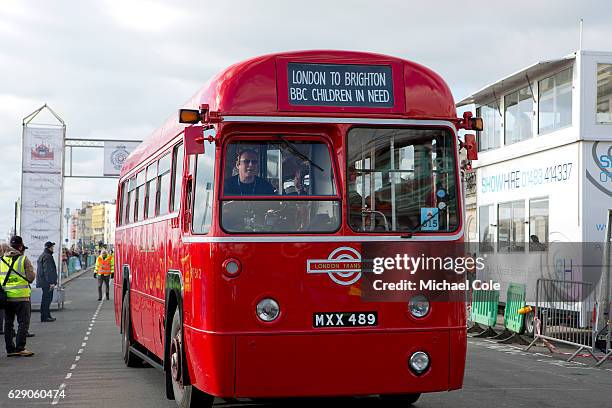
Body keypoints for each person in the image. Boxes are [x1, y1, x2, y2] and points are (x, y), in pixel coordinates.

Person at [0, 236, 36, 357]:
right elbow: (31, 278)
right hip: (21, 298)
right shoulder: (23, 259)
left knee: (8, 323)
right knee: (23, 323)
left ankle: (10, 349)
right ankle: (20, 347)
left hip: (6, 298)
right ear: (20, 247)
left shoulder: (1, 261)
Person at [37, 241, 58, 322]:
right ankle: (45, 316)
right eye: (52, 247)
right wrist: (51, 283)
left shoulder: (43, 255)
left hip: (43, 281)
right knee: (47, 299)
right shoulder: (47, 257)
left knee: (46, 299)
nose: (53, 249)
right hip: (47, 282)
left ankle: (47, 315)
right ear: (49, 248)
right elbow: (48, 271)